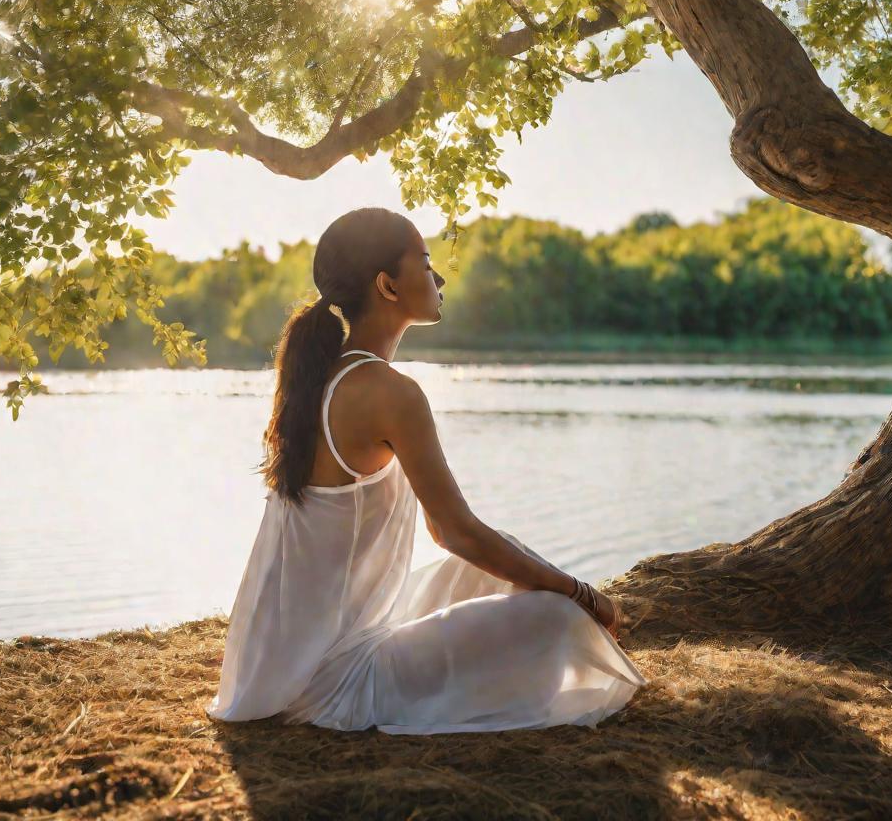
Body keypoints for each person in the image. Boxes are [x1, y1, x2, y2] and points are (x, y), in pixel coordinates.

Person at [206, 207, 648, 734]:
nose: (438, 277)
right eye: (426, 262)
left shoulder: (326, 376)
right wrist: (582, 594)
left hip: (293, 662)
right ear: (388, 286)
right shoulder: (389, 393)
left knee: (494, 564)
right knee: (557, 619)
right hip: (334, 683)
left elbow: (462, 539)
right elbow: (453, 531)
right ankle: (569, 617)